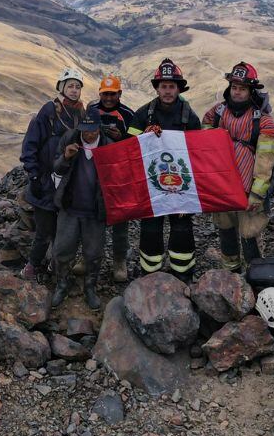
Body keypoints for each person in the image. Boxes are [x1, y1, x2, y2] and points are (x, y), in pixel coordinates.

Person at [202, 62, 274, 271]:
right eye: (234, 87)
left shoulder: (263, 122)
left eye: (243, 88)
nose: (237, 92)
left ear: (251, 91)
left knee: (250, 233)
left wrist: (257, 194)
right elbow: (203, 138)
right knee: (225, 228)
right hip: (222, 186)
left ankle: (256, 277)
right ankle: (231, 273)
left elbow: (266, 162)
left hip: (249, 188)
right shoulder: (216, 113)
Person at [127, 59, 203, 280]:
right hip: (152, 186)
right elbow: (129, 146)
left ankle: (184, 273)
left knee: (182, 228)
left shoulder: (190, 116)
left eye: (171, 86)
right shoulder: (143, 114)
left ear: (179, 88)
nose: (167, 91)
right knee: (150, 228)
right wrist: (144, 136)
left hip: (181, 184)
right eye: (163, 86)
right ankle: (150, 274)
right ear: (157, 88)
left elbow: (197, 152)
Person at [20, 68, 85, 280]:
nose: (74, 91)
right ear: (61, 88)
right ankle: (32, 266)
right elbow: (31, 143)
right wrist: (34, 175)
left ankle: (55, 266)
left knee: (62, 231)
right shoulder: (49, 111)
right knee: (44, 231)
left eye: (77, 86)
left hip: (67, 182)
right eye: (70, 86)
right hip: (46, 181)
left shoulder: (82, 114)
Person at [48, 111, 110, 312]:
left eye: (93, 131)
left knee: (93, 253)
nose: (89, 135)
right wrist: (66, 157)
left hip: (95, 212)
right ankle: (62, 284)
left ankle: (90, 287)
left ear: (99, 127)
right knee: (62, 249)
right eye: (85, 131)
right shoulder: (70, 139)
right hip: (70, 208)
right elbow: (56, 168)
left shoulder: (108, 145)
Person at [89, 74, 135, 283]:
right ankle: (89, 258)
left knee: (120, 218)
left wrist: (121, 138)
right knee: (91, 217)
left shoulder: (128, 114)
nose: (108, 98)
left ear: (120, 94)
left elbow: (136, 143)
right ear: (100, 93)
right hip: (94, 173)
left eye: (112, 94)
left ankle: (119, 261)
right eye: (105, 94)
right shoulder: (90, 111)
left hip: (119, 175)